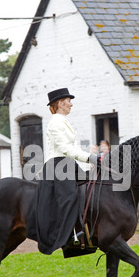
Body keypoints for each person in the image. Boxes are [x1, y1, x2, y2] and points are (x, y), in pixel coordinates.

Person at [27, 88, 99, 254]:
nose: (71, 104)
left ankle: (87, 231)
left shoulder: (64, 121)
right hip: (58, 165)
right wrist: (89, 158)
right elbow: (64, 148)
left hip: (68, 163)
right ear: (60, 103)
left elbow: (72, 149)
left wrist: (89, 161)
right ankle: (69, 240)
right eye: (69, 101)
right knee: (69, 198)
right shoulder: (55, 122)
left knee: (89, 189)